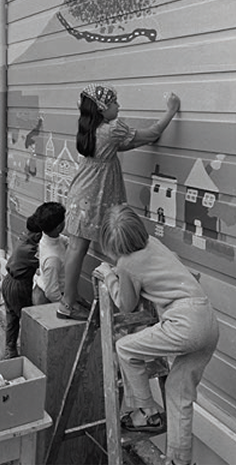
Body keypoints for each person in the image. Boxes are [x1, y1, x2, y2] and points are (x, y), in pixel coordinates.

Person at [95, 204, 219, 465]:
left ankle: (147, 411)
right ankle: (179, 460)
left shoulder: (126, 264)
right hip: (208, 320)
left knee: (126, 349)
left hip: (184, 322)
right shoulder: (155, 243)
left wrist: (110, 276)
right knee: (178, 391)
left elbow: (125, 304)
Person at [60, 83, 180, 320]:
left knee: (76, 248)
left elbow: (130, 143)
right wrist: (171, 110)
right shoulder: (112, 129)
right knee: (117, 244)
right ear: (103, 109)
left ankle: (67, 301)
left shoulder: (90, 129)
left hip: (81, 192)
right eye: (114, 102)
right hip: (98, 194)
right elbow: (152, 133)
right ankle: (123, 300)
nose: (119, 106)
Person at [0, 212, 42, 359]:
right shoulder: (30, 251)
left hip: (8, 281)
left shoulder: (23, 237)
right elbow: (44, 263)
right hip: (18, 286)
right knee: (26, 319)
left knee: (12, 318)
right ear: (38, 235)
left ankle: (10, 349)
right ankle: (29, 352)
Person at [31, 202, 68, 306]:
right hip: (46, 299)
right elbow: (51, 293)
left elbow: (63, 240)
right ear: (59, 227)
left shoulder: (48, 238)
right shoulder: (53, 258)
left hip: (44, 287)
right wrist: (66, 306)